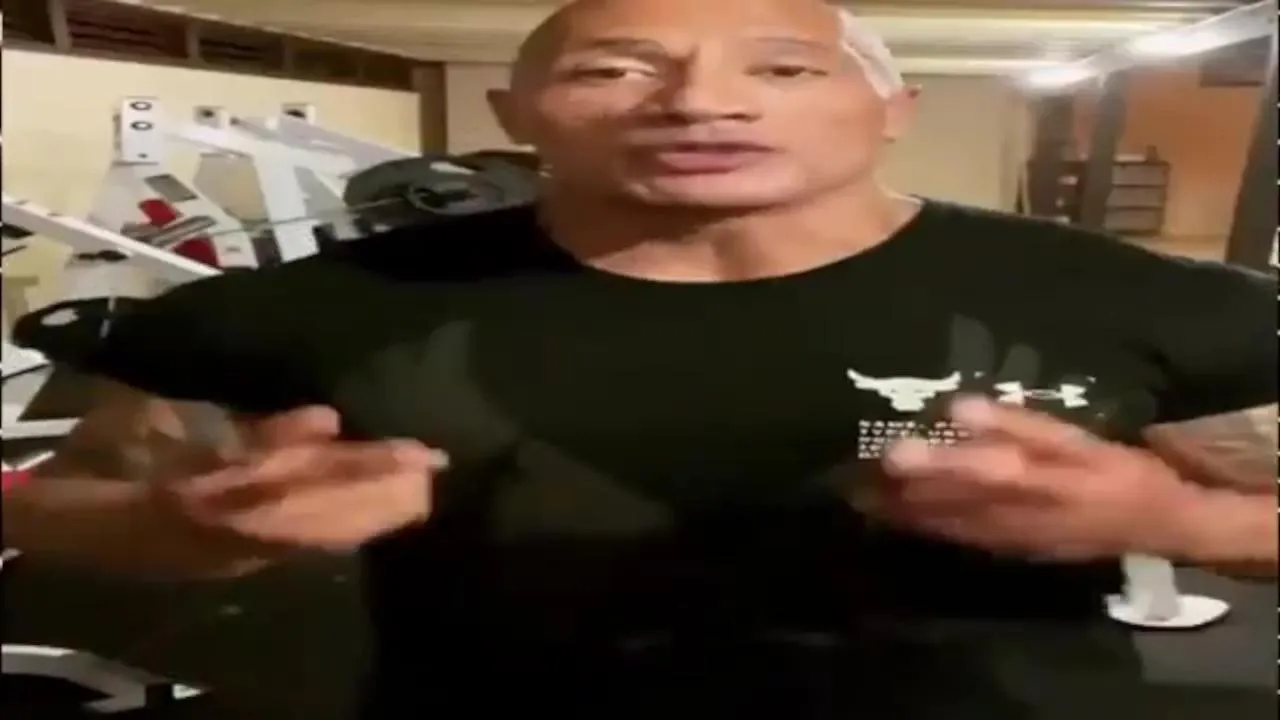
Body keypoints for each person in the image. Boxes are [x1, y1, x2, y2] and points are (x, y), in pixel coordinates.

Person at [4, 0, 1275, 717]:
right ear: (514, 115)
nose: (698, 103)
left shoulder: (1139, 302)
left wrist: (1171, 514)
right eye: (615, 68)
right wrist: (185, 525)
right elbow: (53, 508)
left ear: (893, 110)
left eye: (782, 67)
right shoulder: (312, 309)